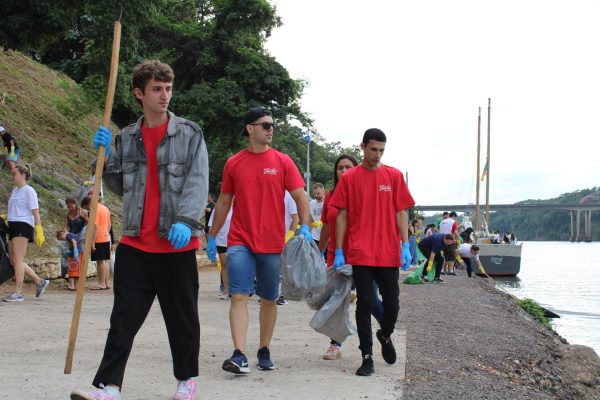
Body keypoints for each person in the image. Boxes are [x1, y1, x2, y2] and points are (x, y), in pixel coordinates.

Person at [70, 60, 208, 400]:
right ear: (139, 93)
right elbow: (117, 185)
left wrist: (186, 221)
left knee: (182, 320)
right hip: (135, 244)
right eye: (157, 89)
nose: (165, 96)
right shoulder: (127, 137)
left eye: (168, 89)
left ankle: (186, 381)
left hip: (175, 244)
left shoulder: (189, 134)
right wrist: (102, 155)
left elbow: (197, 182)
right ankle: (109, 387)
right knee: (123, 320)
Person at [206, 106, 311, 375]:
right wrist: (211, 235)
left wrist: (306, 227)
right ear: (249, 128)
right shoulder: (234, 163)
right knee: (238, 295)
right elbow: (225, 201)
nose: (270, 129)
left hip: (272, 243)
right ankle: (239, 354)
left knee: (268, 298)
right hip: (240, 239)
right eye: (264, 125)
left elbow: (300, 196)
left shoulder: (283, 161)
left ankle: (263, 349)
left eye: (272, 125)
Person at [330, 128, 414, 377]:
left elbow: (401, 212)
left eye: (381, 150)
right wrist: (338, 250)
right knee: (365, 303)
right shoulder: (349, 178)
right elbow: (341, 215)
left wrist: (406, 244)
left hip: (388, 251)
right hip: (360, 252)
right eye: (373, 149)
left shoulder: (394, 176)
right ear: (363, 147)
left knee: (392, 307)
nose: (377, 155)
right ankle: (366, 357)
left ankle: (385, 335)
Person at [318, 154, 384, 361]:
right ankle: (335, 344)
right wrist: (318, 251)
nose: (344, 171)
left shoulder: (365, 192)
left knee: (370, 300)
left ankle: (387, 331)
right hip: (335, 256)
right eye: (340, 168)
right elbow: (327, 226)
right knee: (336, 300)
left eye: (348, 167)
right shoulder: (330, 195)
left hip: (361, 254)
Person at [2, 164, 47, 302]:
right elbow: (15, 208)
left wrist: (39, 229)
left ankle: (18, 292)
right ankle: (39, 281)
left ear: (23, 175)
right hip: (13, 225)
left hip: (23, 225)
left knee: (18, 260)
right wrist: (5, 216)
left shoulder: (29, 191)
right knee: (13, 260)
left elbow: (35, 211)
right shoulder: (15, 191)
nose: (13, 176)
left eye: (15, 173)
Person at [81, 196, 111, 290]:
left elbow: (95, 226)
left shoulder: (95, 209)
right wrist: (107, 233)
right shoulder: (105, 207)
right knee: (104, 261)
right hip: (106, 236)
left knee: (100, 261)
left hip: (99, 237)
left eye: (86, 207)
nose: (87, 210)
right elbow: (109, 224)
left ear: (88, 204)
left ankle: (101, 283)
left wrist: (92, 242)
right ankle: (105, 282)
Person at [208, 203, 233, 299]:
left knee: (235, 264)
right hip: (221, 240)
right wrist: (211, 240)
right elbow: (211, 224)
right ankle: (226, 290)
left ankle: (237, 289)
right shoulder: (218, 207)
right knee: (224, 264)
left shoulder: (240, 205)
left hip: (235, 239)